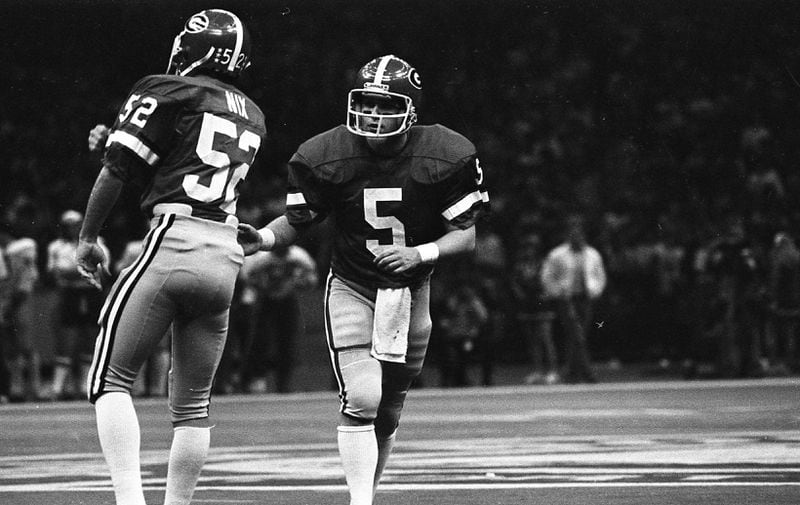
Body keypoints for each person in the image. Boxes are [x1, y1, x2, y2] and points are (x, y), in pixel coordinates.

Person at [237, 54, 489, 505]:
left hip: (412, 292)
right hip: (353, 285)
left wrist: (419, 253)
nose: (372, 113)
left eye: (385, 104)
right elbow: (299, 219)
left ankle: (366, 493)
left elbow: (464, 236)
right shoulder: (324, 154)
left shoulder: (445, 153)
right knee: (363, 398)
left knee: (389, 410)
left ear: (410, 110)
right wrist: (262, 237)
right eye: (366, 103)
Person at [75, 10, 266, 505]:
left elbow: (119, 169)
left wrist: (88, 235)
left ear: (196, 47)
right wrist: (115, 144)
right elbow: (183, 164)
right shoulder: (251, 112)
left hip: (172, 241)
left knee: (109, 380)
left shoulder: (168, 89)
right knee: (193, 407)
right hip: (224, 255)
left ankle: (130, 502)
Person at [237, 243, 318, 393]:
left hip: (288, 301)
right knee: (260, 341)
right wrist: (264, 285)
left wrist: (296, 282)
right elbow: (247, 278)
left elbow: (312, 280)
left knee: (287, 343)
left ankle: (284, 384)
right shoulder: (261, 258)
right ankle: (255, 380)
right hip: (266, 301)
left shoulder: (299, 256)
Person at [47, 210, 109, 400]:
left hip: (90, 294)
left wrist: (73, 272)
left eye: (76, 224)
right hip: (69, 294)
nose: (73, 229)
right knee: (67, 338)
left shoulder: (98, 243)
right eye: (69, 225)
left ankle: (85, 386)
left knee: (90, 337)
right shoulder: (56, 247)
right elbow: (53, 273)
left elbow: (104, 272)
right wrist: (82, 272)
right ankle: (58, 388)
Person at [541, 214, 607, 384]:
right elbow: (547, 276)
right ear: (568, 236)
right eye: (573, 234)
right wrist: (556, 292)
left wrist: (595, 291)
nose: (577, 237)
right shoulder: (558, 254)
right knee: (577, 334)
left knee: (577, 335)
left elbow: (600, 276)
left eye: (580, 235)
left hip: (585, 298)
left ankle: (571, 373)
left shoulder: (592, 254)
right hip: (567, 299)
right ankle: (588, 373)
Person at [509, 232, 559, 385]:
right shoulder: (520, 265)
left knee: (546, 339)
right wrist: (518, 293)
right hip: (527, 304)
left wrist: (547, 292)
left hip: (541, 303)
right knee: (533, 341)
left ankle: (552, 371)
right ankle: (537, 371)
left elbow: (551, 279)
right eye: (526, 248)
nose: (528, 251)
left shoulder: (544, 263)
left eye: (531, 248)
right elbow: (514, 281)